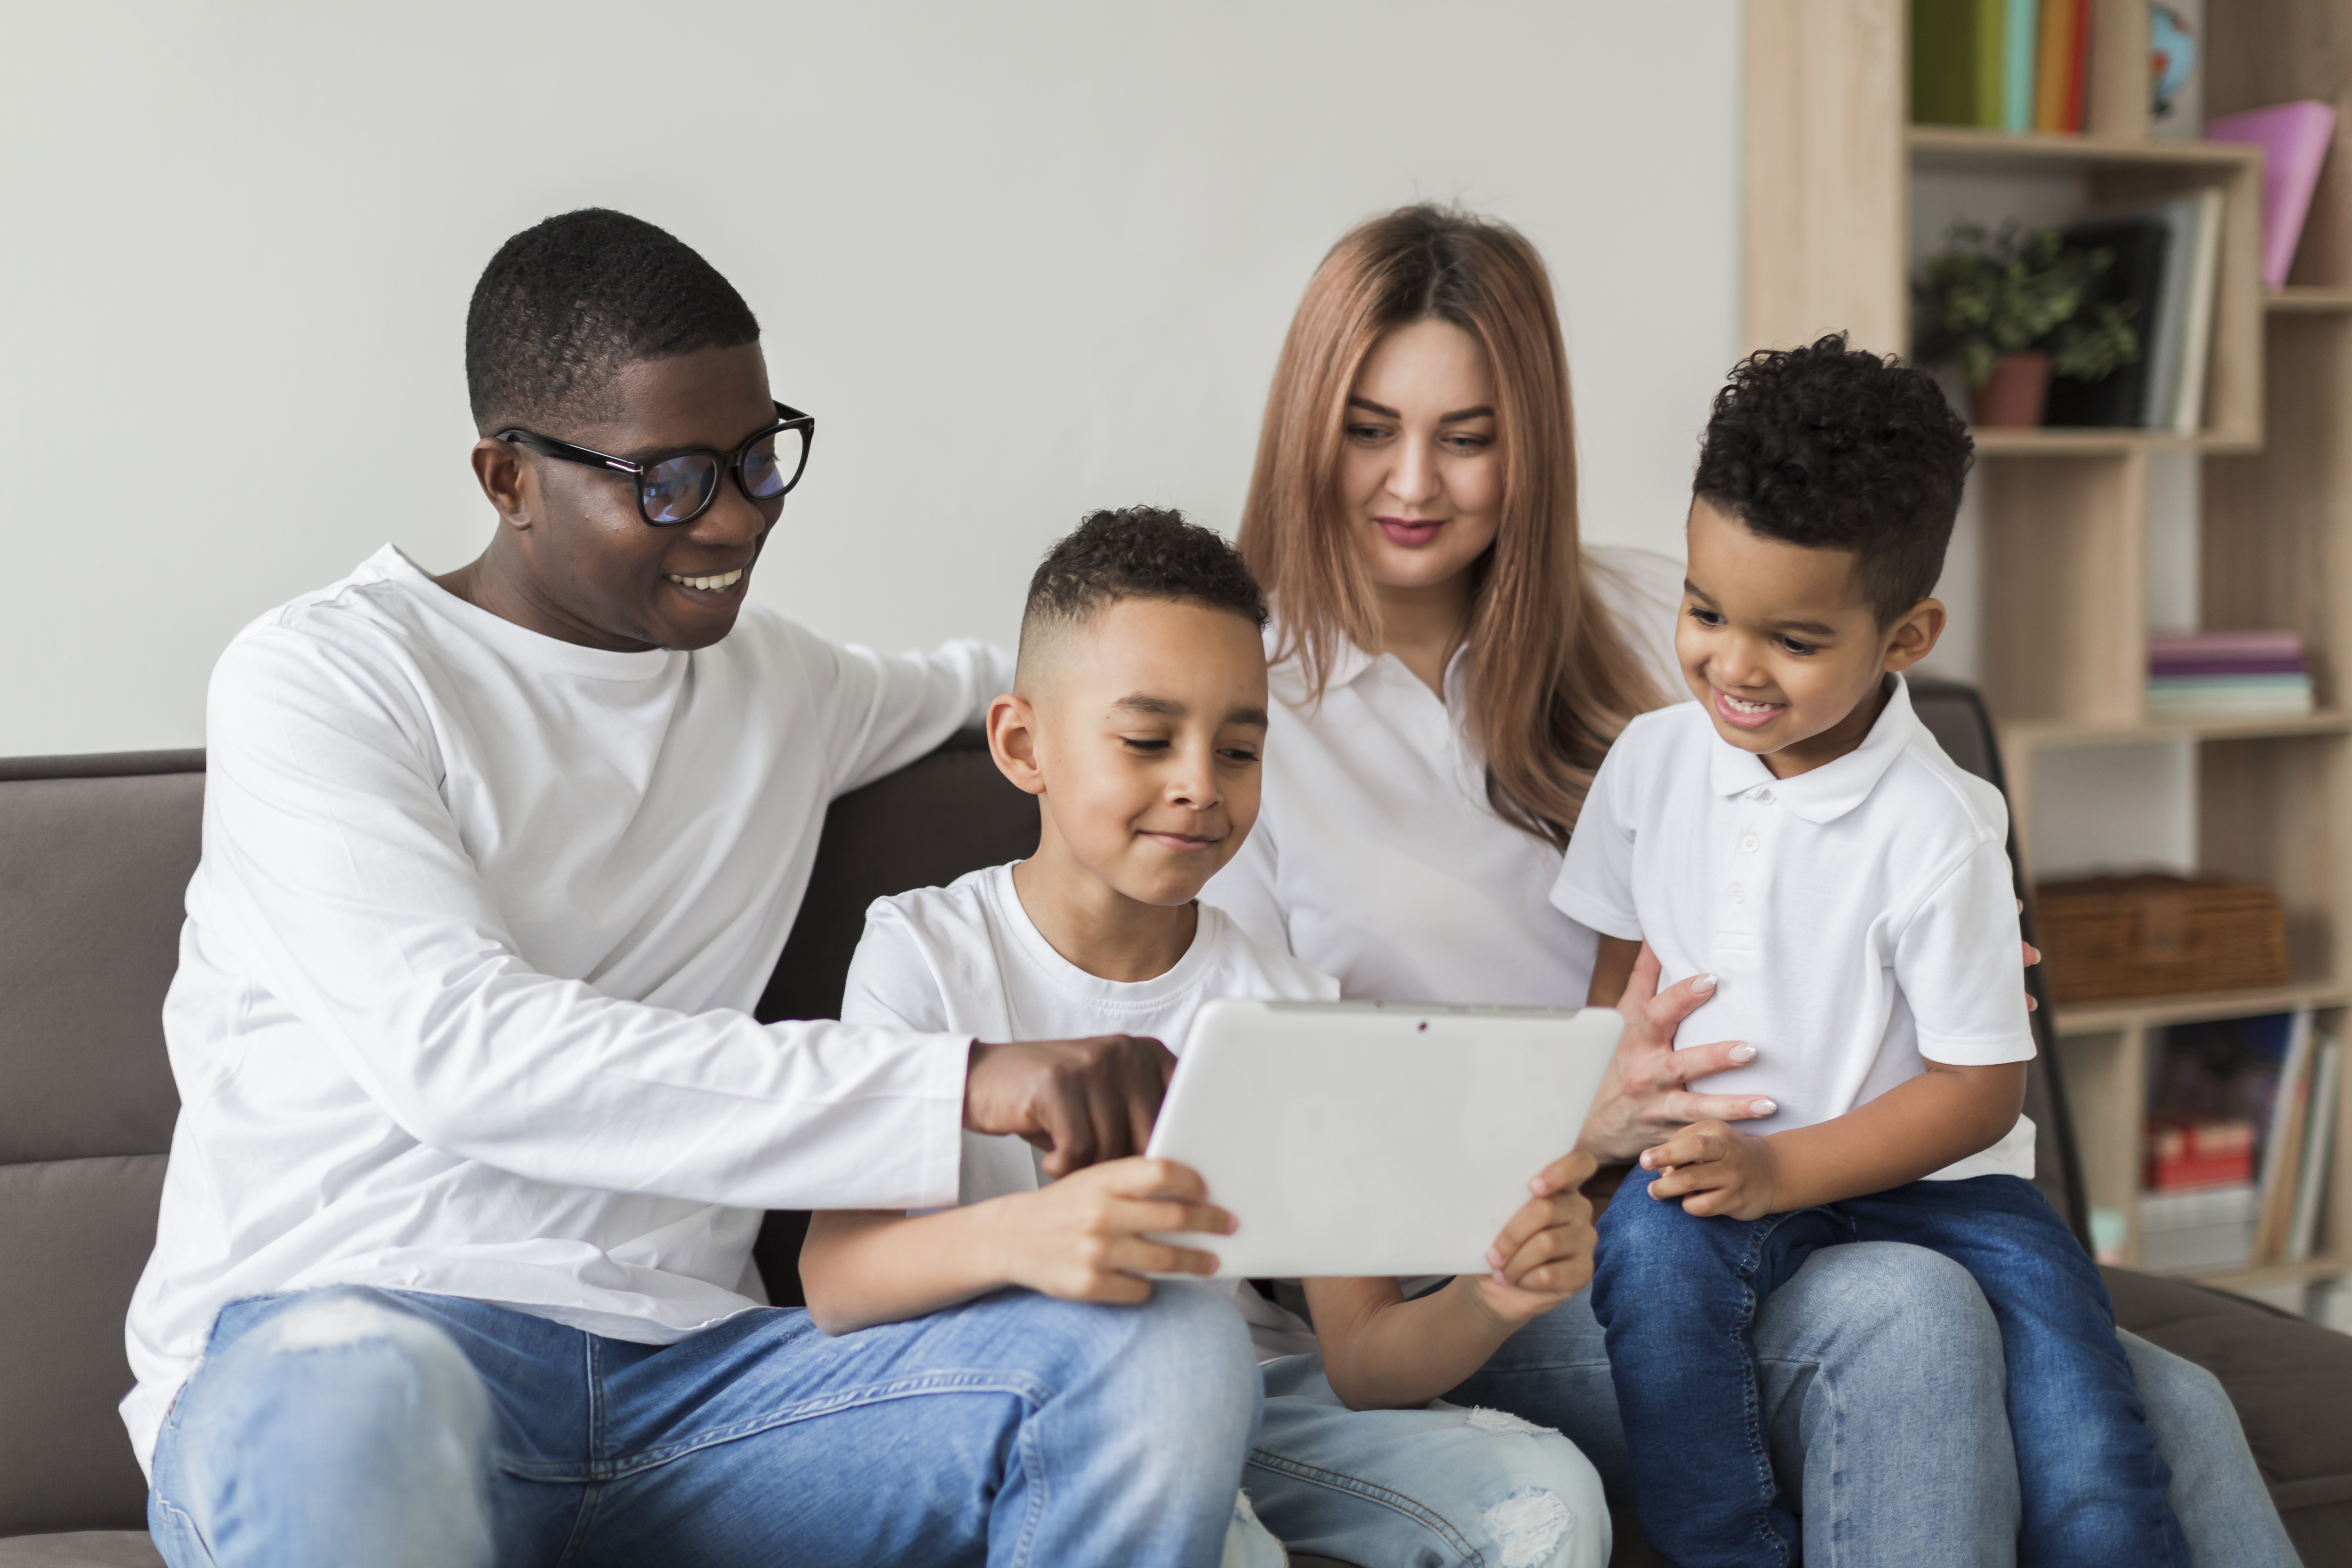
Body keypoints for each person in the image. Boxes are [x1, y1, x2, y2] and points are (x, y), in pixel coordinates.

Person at [125, 210, 1263, 1568]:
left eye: (755, 459)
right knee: (352, 1389)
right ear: (508, 477)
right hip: (365, 1345)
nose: (732, 519)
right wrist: (958, 1081)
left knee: (1160, 1348)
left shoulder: (779, 684)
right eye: (666, 480)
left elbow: (1016, 690)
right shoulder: (327, 679)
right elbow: (466, 1056)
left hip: (696, 1396)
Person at [1203, 202, 2298, 1565]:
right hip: (1498, 1261)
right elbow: (1293, 1149)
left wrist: (1928, 955)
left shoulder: (1651, 615)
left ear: (1528, 441)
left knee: (2177, 1409)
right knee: (1903, 1321)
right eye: (1368, 426)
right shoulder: (1233, 723)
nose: (1411, 482)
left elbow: (1853, 797)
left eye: (1466, 435)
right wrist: (1581, 1117)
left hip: (1762, 1186)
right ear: (1307, 422)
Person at [804, 507, 1611, 1568]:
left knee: (1551, 1499)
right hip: (1033, 1398)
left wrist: (1489, 1299)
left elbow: (1364, 1359)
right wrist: (1041, 1240)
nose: (1199, 784)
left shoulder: (1284, 999)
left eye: (1238, 749)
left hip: (1256, 1393)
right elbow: (836, 1276)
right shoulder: (925, 951)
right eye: (1147, 742)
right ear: (1021, 744)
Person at [1561, 337, 2186, 1566]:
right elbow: (1611, 989)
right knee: (1646, 1253)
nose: (1730, 667)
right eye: (1702, 612)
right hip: (1714, 1169)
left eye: (1792, 641)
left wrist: (1779, 1172)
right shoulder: (1649, 765)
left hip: (1944, 1195)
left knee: (2090, 1452)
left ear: (1905, 637)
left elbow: (1975, 1090)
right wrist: (1612, 1122)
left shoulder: (1938, 829)